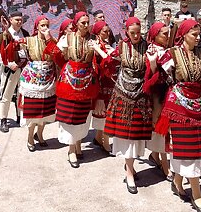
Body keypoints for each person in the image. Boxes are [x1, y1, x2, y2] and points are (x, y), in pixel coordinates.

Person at [154, 20, 201, 212]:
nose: (198, 37)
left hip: (198, 104)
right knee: (188, 149)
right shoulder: (171, 54)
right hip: (179, 106)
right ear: (184, 34)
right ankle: (197, 193)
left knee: (195, 147)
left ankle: (177, 181)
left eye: (199, 34)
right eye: (194, 35)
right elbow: (160, 77)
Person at [102, 17, 152, 194]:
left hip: (141, 96)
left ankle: (129, 166)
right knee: (127, 136)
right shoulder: (121, 47)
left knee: (136, 135)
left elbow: (152, 69)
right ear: (126, 32)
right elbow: (109, 63)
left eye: (139, 32)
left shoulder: (148, 46)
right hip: (123, 95)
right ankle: (129, 172)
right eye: (133, 33)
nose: (137, 36)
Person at [44, 11, 98, 168]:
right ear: (76, 24)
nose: (87, 25)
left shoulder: (93, 39)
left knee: (83, 115)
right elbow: (58, 56)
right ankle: (71, 149)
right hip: (70, 81)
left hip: (87, 81)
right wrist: (49, 40)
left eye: (88, 22)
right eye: (83, 23)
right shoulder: (67, 38)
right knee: (71, 114)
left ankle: (79, 143)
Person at [17, 16, 58, 152]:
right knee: (33, 112)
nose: (45, 28)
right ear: (37, 27)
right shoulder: (29, 40)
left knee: (45, 111)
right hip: (33, 81)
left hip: (48, 79)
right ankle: (30, 136)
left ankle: (40, 134)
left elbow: (57, 54)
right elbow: (12, 42)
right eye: (42, 25)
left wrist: (49, 38)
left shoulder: (52, 41)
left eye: (47, 25)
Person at [143, 21, 173, 182]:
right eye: (164, 34)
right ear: (155, 35)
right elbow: (154, 73)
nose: (168, 37)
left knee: (161, 128)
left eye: (169, 34)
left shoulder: (164, 50)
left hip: (164, 92)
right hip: (157, 94)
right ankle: (164, 164)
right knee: (161, 127)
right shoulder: (154, 50)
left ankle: (155, 155)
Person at [0, 9, 30, 133]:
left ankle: (20, 117)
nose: (19, 22)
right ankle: (3, 120)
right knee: (6, 95)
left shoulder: (25, 33)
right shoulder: (4, 35)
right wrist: (9, 64)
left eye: (21, 20)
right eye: (17, 20)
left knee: (22, 93)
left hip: (24, 68)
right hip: (9, 69)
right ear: (10, 20)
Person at [90, 21, 115, 156]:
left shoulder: (105, 45)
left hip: (108, 82)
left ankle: (99, 138)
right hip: (101, 81)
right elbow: (106, 61)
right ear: (98, 32)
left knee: (105, 112)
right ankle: (105, 142)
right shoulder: (96, 46)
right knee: (104, 112)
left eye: (108, 31)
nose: (107, 33)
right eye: (105, 31)